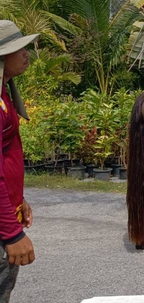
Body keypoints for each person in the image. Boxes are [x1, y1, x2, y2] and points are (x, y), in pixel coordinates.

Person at [0, 20, 38, 301]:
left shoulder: (4, 94)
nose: (27, 54)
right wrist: (12, 234)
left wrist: (17, 199)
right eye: (18, 49)